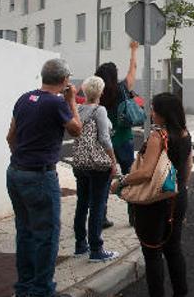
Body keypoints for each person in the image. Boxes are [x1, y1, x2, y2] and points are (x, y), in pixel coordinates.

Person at [6, 59, 82, 297]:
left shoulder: (24, 98)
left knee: (25, 232)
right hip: (40, 175)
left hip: (16, 171)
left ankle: (24, 287)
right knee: (46, 235)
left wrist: (22, 158)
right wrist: (71, 101)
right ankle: (42, 290)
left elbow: (11, 137)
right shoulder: (56, 103)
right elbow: (76, 129)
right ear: (65, 79)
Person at [113, 93, 193, 297]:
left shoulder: (158, 136)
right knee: (174, 248)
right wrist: (179, 188)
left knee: (152, 252)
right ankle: (181, 293)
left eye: (153, 109)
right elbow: (189, 166)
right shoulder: (185, 133)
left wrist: (121, 181)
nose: (151, 113)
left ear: (163, 113)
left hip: (154, 202)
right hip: (177, 196)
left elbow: (146, 172)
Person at [73, 76, 120, 262]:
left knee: (82, 203)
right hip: (98, 164)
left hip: (80, 163)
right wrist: (113, 161)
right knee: (97, 206)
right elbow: (104, 139)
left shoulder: (78, 109)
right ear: (100, 92)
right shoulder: (99, 110)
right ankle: (96, 249)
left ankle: (80, 245)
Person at [96, 40, 139, 227]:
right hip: (124, 140)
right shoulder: (122, 88)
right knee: (129, 176)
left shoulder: (97, 92)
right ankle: (133, 215)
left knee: (103, 180)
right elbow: (133, 69)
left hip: (105, 143)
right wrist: (134, 50)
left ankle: (102, 216)